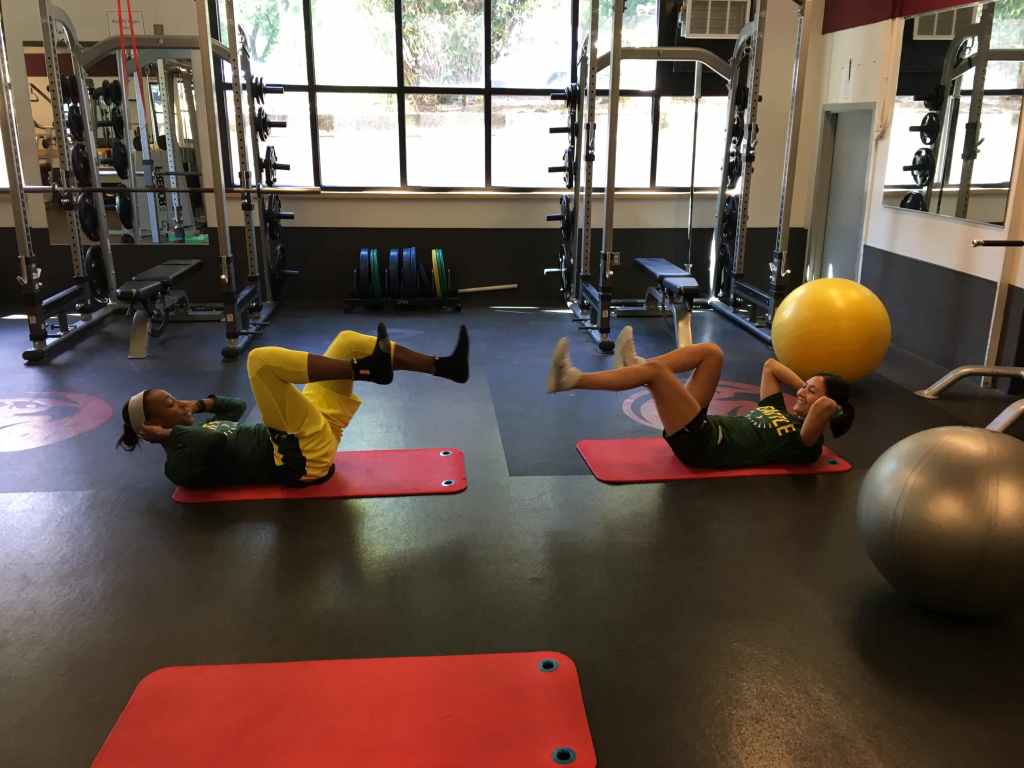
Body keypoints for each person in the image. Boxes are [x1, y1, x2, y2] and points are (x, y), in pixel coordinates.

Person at [117, 323, 469, 488]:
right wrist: (167, 436)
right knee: (259, 361)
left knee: (345, 340)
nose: (179, 403)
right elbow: (214, 443)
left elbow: (236, 407)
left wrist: (202, 404)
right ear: (153, 424)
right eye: (170, 404)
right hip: (297, 462)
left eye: (174, 397)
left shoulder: (193, 429)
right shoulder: (178, 462)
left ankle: (444, 366)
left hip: (305, 434)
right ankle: (365, 370)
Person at [547, 326, 854, 469]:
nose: (800, 391)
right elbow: (771, 366)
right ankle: (635, 366)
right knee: (711, 353)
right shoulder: (778, 409)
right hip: (703, 425)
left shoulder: (807, 442)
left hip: (704, 446)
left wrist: (830, 406)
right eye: (804, 387)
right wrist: (808, 386)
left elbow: (822, 411)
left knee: (656, 374)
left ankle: (573, 379)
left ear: (826, 408)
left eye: (810, 392)